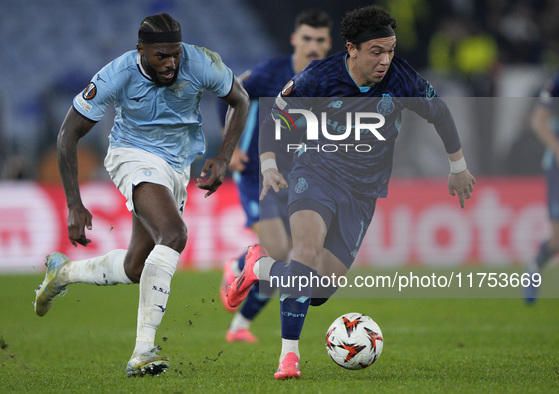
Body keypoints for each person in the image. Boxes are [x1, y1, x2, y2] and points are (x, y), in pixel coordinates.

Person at [227, 5, 476, 379]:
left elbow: (438, 112)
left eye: (390, 50)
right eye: (377, 51)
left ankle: (258, 266)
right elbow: (275, 115)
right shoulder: (318, 77)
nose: (385, 59)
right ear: (352, 49)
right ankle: (288, 358)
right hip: (315, 172)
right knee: (305, 253)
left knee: (318, 290)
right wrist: (269, 164)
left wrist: (458, 166)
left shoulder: (401, 78)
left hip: (363, 193)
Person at [33, 12, 249, 377]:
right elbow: (67, 133)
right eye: (161, 56)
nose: (171, 64)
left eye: (175, 54)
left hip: (178, 164)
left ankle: (63, 273)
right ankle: (143, 351)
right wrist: (74, 203)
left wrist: (223, 157)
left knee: (136, 266)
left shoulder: (202, 62)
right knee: (174, 233)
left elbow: (240, 100)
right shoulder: (116, 74)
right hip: (132, 155)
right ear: (141, 51)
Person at [219, 9, 333, 344]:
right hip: (256, 171)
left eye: (320, 40)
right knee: (281, 253)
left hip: (294, 177)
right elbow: (230, 94)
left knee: (285, 259)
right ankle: (240, 266)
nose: (313, 46)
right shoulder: (271, 73)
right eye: (307, 38)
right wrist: (232, 145)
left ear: (329, 44)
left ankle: (239, 323)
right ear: (295, 39)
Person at [524, 74, 559, 303]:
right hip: (557, 168)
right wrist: (557, 148)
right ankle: (535, 265)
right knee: (557, 240)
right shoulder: (555, 82)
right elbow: (538, 121)